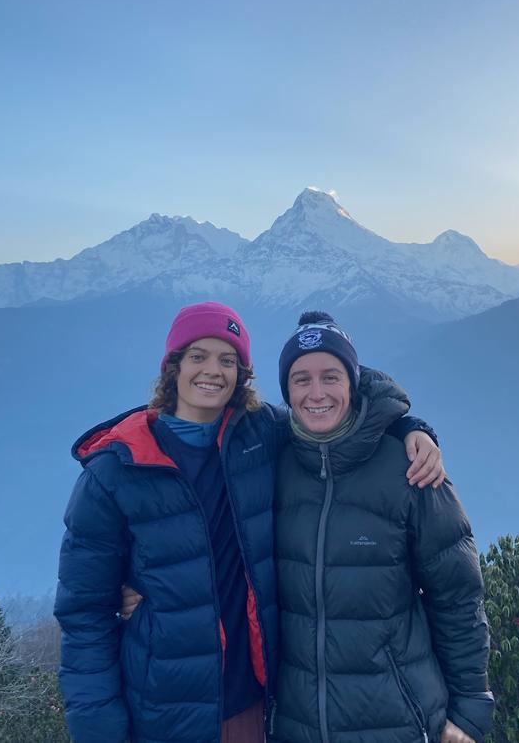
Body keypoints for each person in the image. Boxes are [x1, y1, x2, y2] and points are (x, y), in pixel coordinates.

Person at [54, 302, 444, 743]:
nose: (212, 371)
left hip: (256, 708)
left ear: (243, 373)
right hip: (163, 714)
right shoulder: (115, 471)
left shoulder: (260, 434)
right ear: (173, 366)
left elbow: (332, 410)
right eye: (197, 356)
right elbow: (84, 616)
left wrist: (410, 425)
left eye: (228, 360)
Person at [269, 311, 494, 743]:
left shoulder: (413, 470)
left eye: (331, 376)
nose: (317, 393)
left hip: (398, 720)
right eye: (301, 379)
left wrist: (469, 709)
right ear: (287, 390)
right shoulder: (270, 461)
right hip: (293, 725)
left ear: (353, 382)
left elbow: (458, 597)